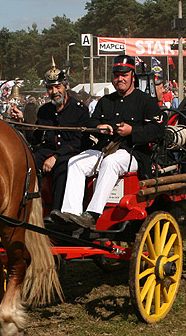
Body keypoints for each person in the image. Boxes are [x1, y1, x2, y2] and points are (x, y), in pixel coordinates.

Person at [55, 55, 164, 229]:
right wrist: (99, 126)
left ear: (132, 76)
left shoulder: (146, 102)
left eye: (124, 75)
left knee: (111, 162)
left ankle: (92, 215)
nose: (120, 79)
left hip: (133, 153)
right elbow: (90, 123)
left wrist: (132, 131)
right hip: (105, 149)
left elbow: (157, 131)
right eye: (116, 75)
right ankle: (72, 215)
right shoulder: (106, 101)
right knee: (75, 162)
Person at [31, 65, 90, 211]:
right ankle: (30, 207)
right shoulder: (44, 111)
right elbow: (35, 139)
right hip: (48, 151)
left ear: (66, 86)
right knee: (30, 162)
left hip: (70, 153)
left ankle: (56, 212)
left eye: (58, 87)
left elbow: (79, 141)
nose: (55, 92)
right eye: (50, 88)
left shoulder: (79, 109)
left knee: (63, 166)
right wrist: (20, 121)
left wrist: (56, 156)